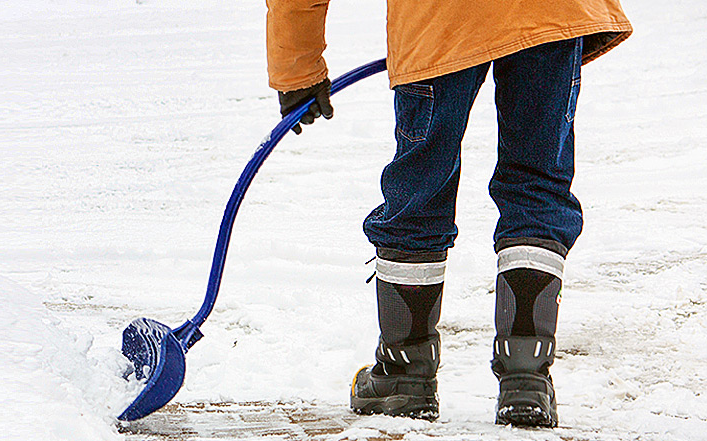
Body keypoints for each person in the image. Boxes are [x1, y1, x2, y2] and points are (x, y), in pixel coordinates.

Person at [265, 0, 632, 428]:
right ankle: (525, 377)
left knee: (422, 185)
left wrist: (298, 69)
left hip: (439, 17)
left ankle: (405, 372)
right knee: (536, 180)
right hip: (548, 11)